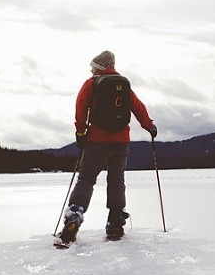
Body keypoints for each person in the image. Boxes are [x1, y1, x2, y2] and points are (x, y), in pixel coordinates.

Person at [58, 50, 157, 243]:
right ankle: (115, 223)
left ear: (100, 67)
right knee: (116, 179)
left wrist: (80, 133)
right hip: (121, 141)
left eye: (93, 66)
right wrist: (149, 125)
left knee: (86, 179)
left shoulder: (92, 84)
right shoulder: (123, 85)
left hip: (96, 140)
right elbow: (137, 107)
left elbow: (80, 109)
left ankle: (74, 216)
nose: (91, 69)